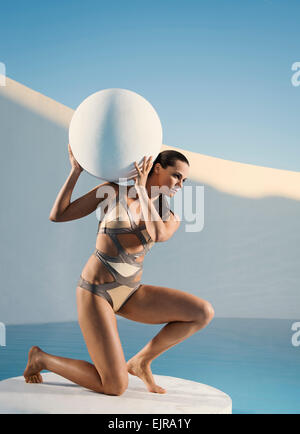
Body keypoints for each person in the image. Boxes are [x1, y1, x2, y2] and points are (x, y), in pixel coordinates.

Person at [23, 144, 214, 396]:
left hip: (131, 293)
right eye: (177, 175)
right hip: (96, 292)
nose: (180, 184)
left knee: (202, 312)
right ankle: (41, 359)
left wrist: (145, 193)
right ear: (157, 168)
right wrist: (75, 172)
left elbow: (157, 233)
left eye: (184, 180)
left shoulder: (170, 216)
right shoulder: (113, 192)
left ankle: (140, 361)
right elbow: (58, 214)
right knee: (114, 386)